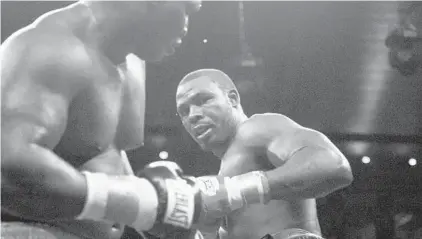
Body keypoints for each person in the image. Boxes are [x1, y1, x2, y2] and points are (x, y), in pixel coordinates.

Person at [1, 1, 202, 239]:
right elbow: (6, 165)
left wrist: (159, 213)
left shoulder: (133, 64)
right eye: (186, 8)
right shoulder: (49, 46)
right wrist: (137, 203)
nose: (187, 26)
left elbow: (103, 151)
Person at [175, 69, 354, 239]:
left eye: (203, 100)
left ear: (232, 99)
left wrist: (235, 190)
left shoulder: (257, 129)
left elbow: (333, 163)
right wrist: (206, 231)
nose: (193, 115)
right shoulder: (225, 173)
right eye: (184, 111)